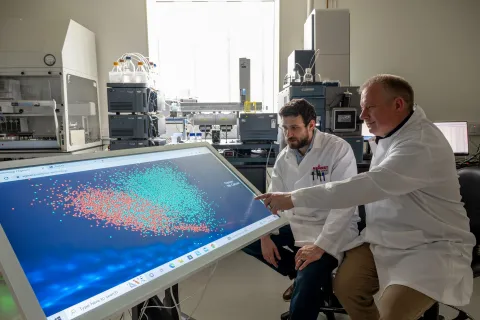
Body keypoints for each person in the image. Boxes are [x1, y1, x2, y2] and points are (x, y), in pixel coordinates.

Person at [255, 74, 476, 320]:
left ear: (398, 105)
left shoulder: (419, 144)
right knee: (347, 287)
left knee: (393, 313)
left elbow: (364, 187)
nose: (361, 116)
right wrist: (266, 231)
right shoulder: (390, 135)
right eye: (361, 108)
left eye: (369, 108)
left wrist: (294, 198)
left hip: (429, 245)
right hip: (383, 237)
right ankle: (297, 273)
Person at [243, 98, 360, 320]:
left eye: (295, 128)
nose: (288, 135)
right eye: (285, 128)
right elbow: (272, 200)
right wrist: (264, 236)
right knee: (245, 238)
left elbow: (344, 204)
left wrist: (320, 246)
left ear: (311, 125)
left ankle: (304, 276)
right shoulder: (284, 157)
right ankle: (297, 271)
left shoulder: (337, 149)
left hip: (331, 229)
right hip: (297, 224)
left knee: (307, 284)